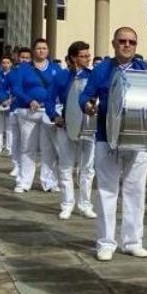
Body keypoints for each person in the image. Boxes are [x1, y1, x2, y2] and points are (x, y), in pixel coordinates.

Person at [80, 26, 147, 260]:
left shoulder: (145, 70)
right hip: (106, 137)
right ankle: (105, 242)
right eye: (122, 41)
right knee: (107, 191)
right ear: (113, 43)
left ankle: (132, 241)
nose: (127, 45)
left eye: (132, 42)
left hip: (139, 139)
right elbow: (85, 95)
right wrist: (87, 105)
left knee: (135, 191)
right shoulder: (102, 69)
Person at [49, 41, 97, 220]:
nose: (88, 58)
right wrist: (55, 116)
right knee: (66, 166)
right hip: (66, 126)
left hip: (90, 127)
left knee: (88, 168)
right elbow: (49, 99)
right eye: (83, 56)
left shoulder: (93, 76)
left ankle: (85, 204)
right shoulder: (61, 77)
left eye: (88, 55)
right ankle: (67, 204)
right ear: (73, 59)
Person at [10, 39, 61, 193]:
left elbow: (61, 88)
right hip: (28, 112)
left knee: (48, 149)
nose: (41, 51)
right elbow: (16, 88)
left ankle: (49, 182)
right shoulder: (23, 68)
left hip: (48, 113)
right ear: (33, 51)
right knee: (27, 148)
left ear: (48, 50)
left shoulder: (55, 68)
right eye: (38, 48)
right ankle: (24, 182)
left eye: (44, 48)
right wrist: (29, 100)